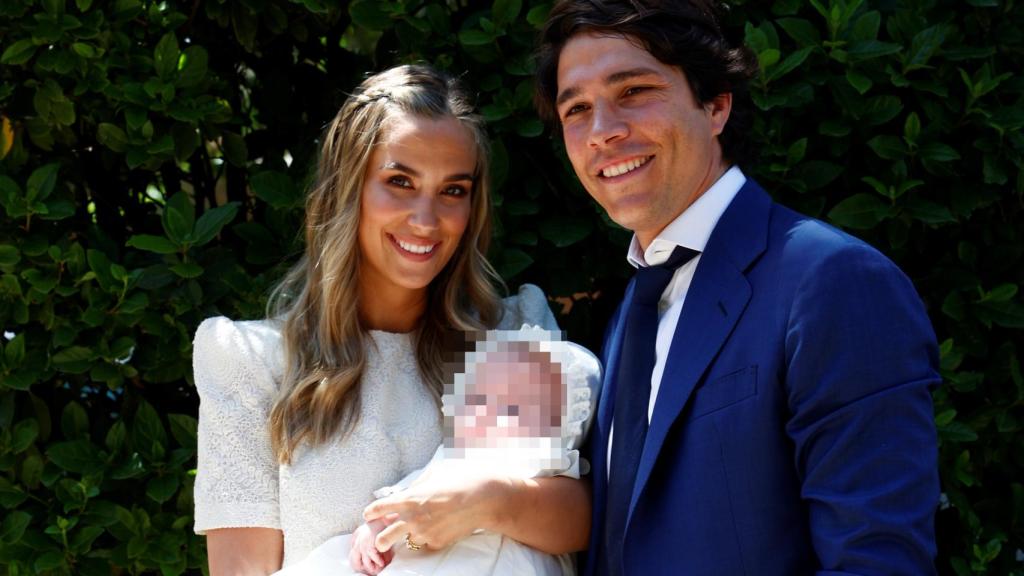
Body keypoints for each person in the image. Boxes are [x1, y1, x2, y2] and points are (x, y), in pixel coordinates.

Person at [533, 1, 941, 575]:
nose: (603, 131)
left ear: (717, 105)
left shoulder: (833, 280)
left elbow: (876, 561)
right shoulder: (637, 306)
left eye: (633, 91)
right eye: (577, 108)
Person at [192, 64, 590, 575]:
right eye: (400, 182)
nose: (426, 220)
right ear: (347, 188)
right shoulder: (250, 363)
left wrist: (485, 502)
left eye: (453, 190)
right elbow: (242, 570)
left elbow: (586, 522)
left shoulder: (513, 334)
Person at [273, 327, 601, 576]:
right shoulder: (456, 457)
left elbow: (575, 516)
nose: (493, 411)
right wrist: (374, 529)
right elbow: (412, 496)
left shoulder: (546, 466)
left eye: (517, 405)